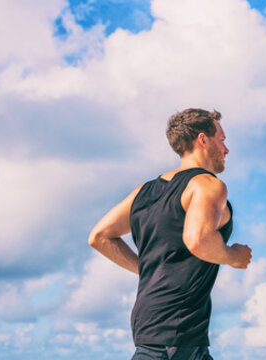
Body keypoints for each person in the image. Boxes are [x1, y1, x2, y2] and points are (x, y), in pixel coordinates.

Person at [88, 108, 252, 360]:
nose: (226, 149)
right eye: (222, 139)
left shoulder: (145, 192)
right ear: (203, 139)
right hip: (175, 336)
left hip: (160, 331)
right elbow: (198, 240)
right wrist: (234, 257)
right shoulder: (207, 185)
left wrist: (146, 270)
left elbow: (99, 236)